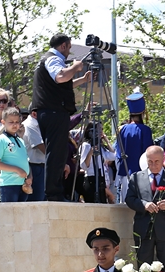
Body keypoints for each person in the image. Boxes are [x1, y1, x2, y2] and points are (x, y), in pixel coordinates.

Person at [32, 34, 90, 202]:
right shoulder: (53, 59)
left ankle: (55, 192)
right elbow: (60, 76)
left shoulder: (48, 60)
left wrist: (81, 79)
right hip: (54, 112)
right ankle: (54, 193)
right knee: (56, 153)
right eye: (69, 47)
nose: (69, 51)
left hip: (52, 112)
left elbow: (61, 83)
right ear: (63, 46)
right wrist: (75, 67)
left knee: (58, 152)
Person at [126, 146, 165, 272]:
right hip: (143, 230)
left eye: (157, 161)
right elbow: (129, 199)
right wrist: (144, 205)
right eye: (150, 161)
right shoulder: (136, 177)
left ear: (163, 159)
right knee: (144, 268)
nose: (153, 165)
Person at [0, 107, 32, 203]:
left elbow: (25, 161)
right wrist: (17, 170)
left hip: (23, 184)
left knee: (21, 211)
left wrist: (29, 175)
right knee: (9, 211)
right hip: (9, 184)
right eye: (11, 122)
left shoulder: (20, 140)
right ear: (3, 122)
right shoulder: (1, 140)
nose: (14, 125)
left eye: (17, 122)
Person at [116, 92, 153, 201]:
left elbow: (118, 153)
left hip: (124, 174)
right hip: (141, 175)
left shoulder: (122, 129)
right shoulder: (145, 130)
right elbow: (148, 154)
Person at [79, 128, 117, 204]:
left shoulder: (100, 147)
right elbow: (84, 166)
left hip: (101, 179)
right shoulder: (86, 145)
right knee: (91, 204)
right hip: (91, 178)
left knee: (102, 203)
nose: (101, 132)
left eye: (102, 129)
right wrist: (90, 153)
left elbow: (113, 156)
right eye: (98, 130)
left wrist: (107, 141)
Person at [22, 110, 48, 203]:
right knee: (36, 202)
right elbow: (40, 146)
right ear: (34, 113)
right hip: (34, 168)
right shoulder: (29, 125)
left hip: (42, 167)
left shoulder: (40, 125)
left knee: (43, 201)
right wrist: (57, 161)